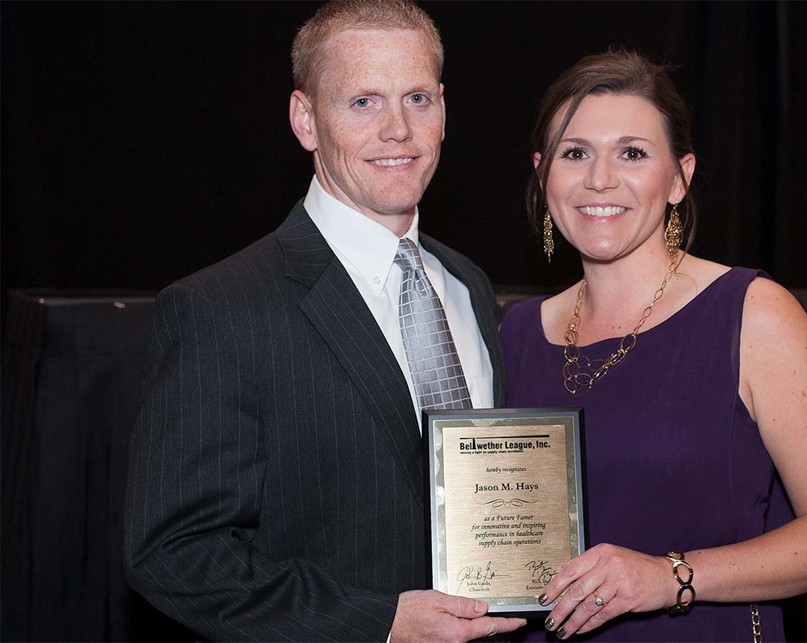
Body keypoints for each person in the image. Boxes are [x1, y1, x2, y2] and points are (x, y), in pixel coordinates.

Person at [123, 1, 526, 641]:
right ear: (305, 120)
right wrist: (379, 624)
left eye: (418, 98)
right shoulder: (220, 307)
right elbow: (174, 553)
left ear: (444, 109)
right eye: (363, 102)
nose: (399, 128)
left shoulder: (467, 286)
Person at [500, 50, 807, 641]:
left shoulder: (751, 313)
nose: (599, 178)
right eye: (574, 153)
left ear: (679, 177)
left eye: (632, 153)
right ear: (541, 173)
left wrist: (669, 576)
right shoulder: (514, 333)